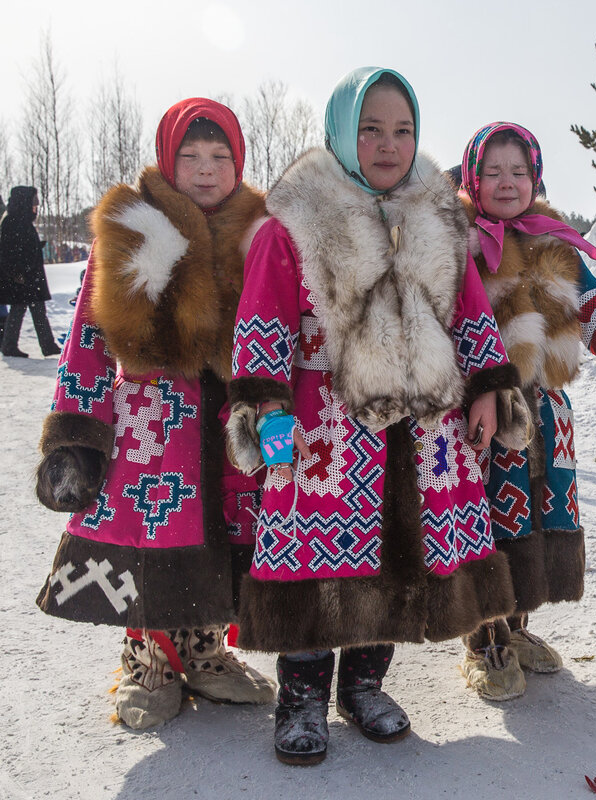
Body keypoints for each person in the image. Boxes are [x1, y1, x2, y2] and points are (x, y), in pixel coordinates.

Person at [225, 68, 528, 765]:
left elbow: (472, 312)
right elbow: (260, 322)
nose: (389, 144)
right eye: (370, 127)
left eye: (403, 130)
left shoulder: (439, 219)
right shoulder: (291, 225)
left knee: (398, 556)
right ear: (339, 133)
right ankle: (301, 695)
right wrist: (264, 406)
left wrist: (488, 386)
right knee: (310, 559)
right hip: (321, 430)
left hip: (422, 432)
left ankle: (363, 685)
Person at [33, 98, 275, 729]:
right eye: (190, 156)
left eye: (220, 156)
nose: (205, 169)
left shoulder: (261, 233)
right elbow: (86, 335)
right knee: (154, 538)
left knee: (224, 536)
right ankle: (148, 659)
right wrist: (76, 433)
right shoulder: (133, 226)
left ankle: (203, 651)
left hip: (229, 424)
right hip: (153, 432)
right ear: (169, 160)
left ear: (239, 162)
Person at [454, 122, 596, 700]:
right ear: (473, 178)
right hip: (487, 412)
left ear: (535, 177)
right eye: (492, 172)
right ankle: (482, 640)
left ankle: (516, 626)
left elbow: (595, 302)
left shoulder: (555, 244)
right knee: (488, 519)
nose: (507, 182)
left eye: (518, 171)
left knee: (538, 516)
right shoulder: (464, 243)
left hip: (549, 412)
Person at [1, 186, 58, 357]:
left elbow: (22, 247)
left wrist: (35, 248)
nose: (36, 206)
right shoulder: (12, 222)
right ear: (24, 202)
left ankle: (46, 345)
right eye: (34, 202)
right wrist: (18, 273)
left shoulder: (21, 220)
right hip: (22, 277)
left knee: (34, 310)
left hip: (29, 276)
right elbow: (9, 252)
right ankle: (11, 346)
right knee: (22, 310)